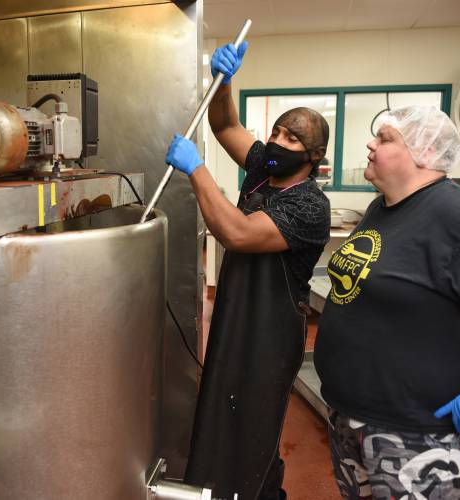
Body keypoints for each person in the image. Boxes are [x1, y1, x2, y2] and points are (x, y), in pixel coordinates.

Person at [314, 105, 460, 499]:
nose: (370, 143)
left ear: (425, 151)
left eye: (385, 138)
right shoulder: (382, 208)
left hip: (416, 435)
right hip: (351, 416)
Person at [164, 42, 331, 499]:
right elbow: (224, 124)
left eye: (293, 139)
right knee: (224, 413)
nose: (278, 142)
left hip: (270, 337)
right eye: (277, 131)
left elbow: (237, 232)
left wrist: (197, 171)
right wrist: (225, 80)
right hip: (237, 319)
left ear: (313, 157)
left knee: (253, 426)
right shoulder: (262, 169)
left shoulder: (309, 206)